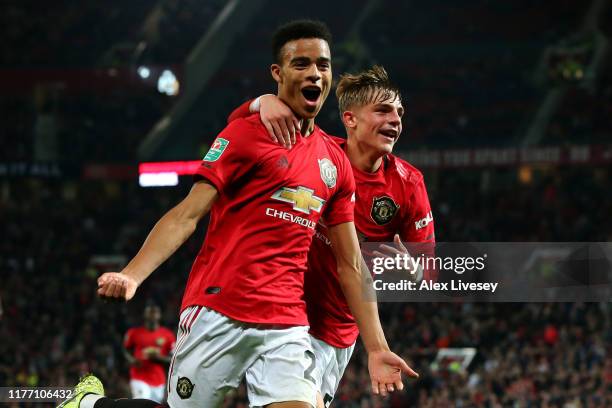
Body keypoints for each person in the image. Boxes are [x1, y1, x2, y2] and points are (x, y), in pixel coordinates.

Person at [59, 20, 413, 408]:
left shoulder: (335, 163)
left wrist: (377, 347)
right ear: (278, 73)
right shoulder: (246, 134)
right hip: (219, 310)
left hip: (287, 322)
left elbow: (352, 264)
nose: (315, 73)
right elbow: (186, 215)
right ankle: (90, 404)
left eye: (323, 65)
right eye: (302, 64)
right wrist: (132, 274)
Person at [228, 65, 434, 407]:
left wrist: (410, 270)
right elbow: (237, 128)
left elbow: (427, 271)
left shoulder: (408, 185)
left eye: (399, 112)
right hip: (272, 309)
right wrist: (260, 102)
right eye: (383, 110)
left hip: (334, 334)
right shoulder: (314, 151)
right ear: (350, 119)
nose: (395, 119)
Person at [123, 305, 175, 403]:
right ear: (145, 315)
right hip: (139, 377)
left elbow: (174, 359)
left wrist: (159, 358)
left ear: (159, 315)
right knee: (141, 403)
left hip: (158, 380)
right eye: (150, 312)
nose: (152, 315)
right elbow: (125, 350)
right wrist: (132, 360)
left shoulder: (168, 335)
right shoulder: (134, 333)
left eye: (154, 312)